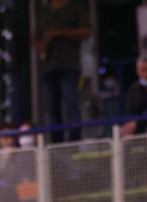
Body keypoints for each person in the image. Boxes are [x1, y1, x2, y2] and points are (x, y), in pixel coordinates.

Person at [35, 0, 92, 141]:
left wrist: (60, 32)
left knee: (71, 106)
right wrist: (42, 45)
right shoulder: (44, 10)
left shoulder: (75, 6)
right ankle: (56, 146)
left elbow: (87, 32)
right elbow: (35, 36)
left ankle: (73, 143)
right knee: (51, 109)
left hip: (69, 66)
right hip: (48, 67)